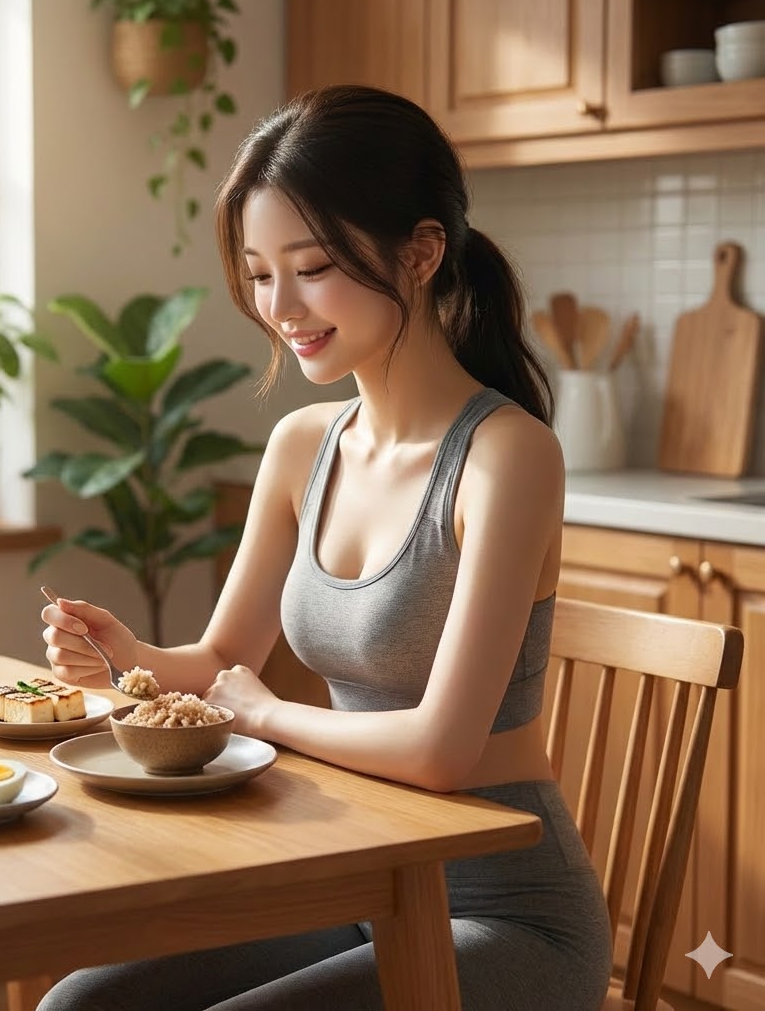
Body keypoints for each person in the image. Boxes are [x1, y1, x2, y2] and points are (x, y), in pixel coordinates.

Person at [38, 84, 613, 1011]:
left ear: (421, 252)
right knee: (81, 1005)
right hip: (361, 885)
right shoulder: (302, 446)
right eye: (261, 274)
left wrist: (267, 716)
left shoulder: (507, 457)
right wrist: (127, 657)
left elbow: (441, 751)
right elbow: (221, 663)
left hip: (504, 914)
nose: (281, 307)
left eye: (310, 267)